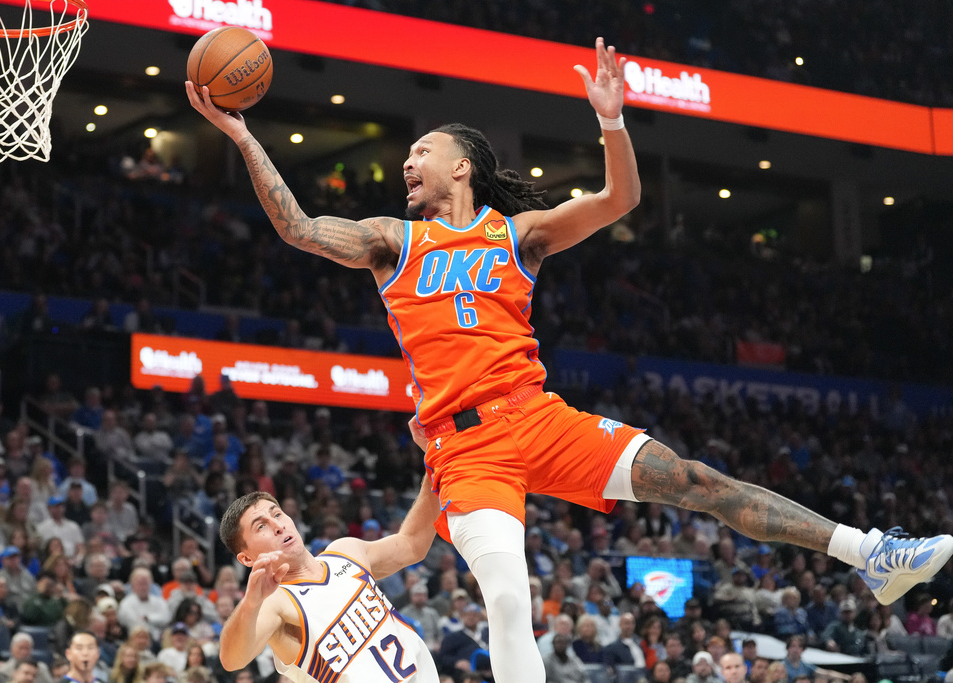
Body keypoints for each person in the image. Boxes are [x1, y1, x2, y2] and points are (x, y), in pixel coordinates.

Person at [187, 36, 953, 683]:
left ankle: (874, 552)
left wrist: (612, 124)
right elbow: (297, 227)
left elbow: (619, 200)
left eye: (422, 152)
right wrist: (243, 135)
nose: (407, 164)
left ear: (463, 166)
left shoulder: (521, 236)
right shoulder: (394, 240)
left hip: (539, 416)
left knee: (695, 479)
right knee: (511, 600)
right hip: (469, 446)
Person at [213, 445, 441, 682]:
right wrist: (251, 603)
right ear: (246, 558)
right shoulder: (276, 603)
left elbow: (413, 544)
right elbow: (232, 660)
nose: (277, 525)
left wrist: (436, 460)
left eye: (277, 514)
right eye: (261, 526)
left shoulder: (345, 552)